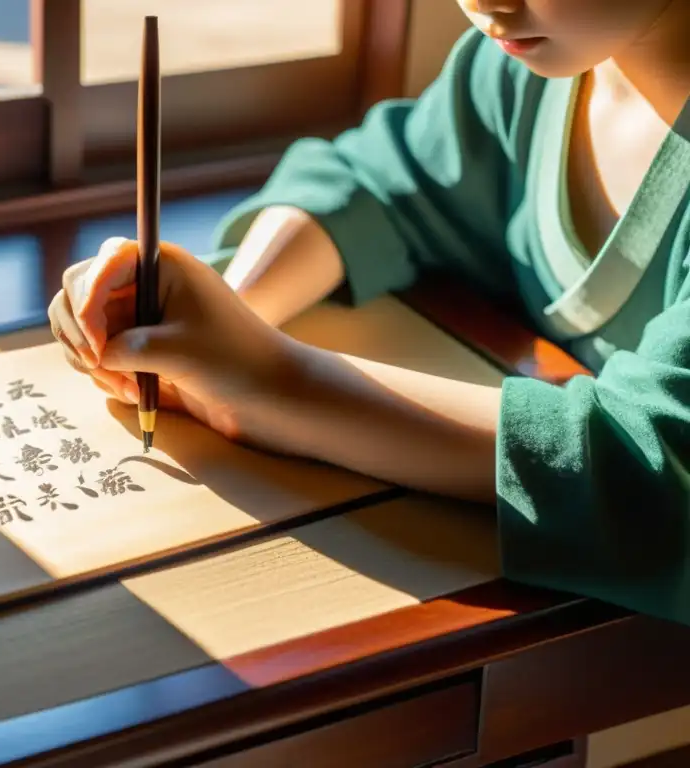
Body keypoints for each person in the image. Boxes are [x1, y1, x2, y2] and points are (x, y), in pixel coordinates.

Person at [48, 0, 690, 626]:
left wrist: (272, 382)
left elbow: (654, 468)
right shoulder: (516, 73)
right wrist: (233, 305)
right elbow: (384, 182)